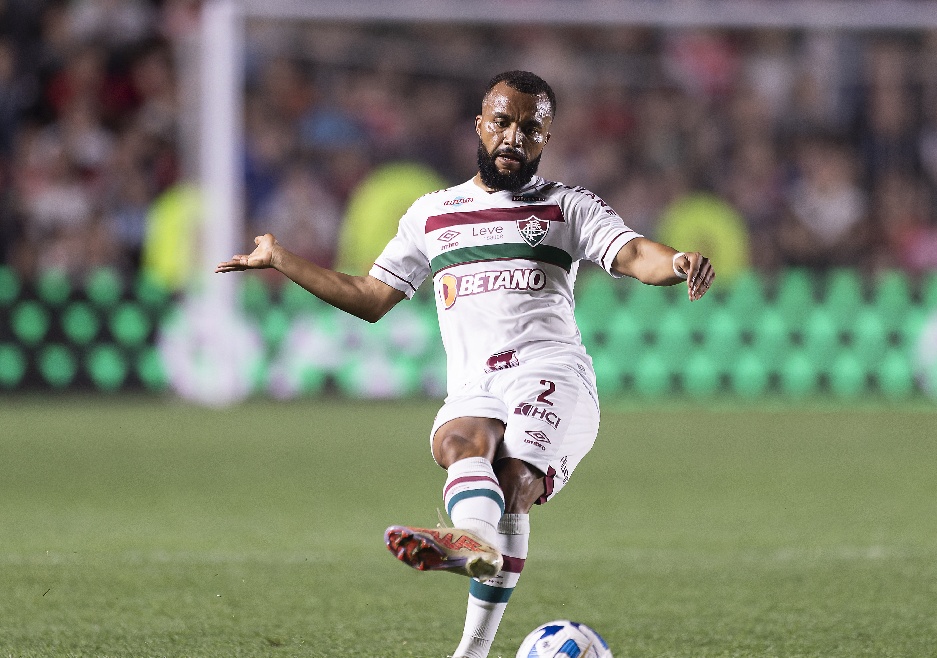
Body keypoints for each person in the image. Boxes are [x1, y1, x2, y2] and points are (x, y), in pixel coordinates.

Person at [216, 70, 714, 658]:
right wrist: (282, 260)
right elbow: (370, 297)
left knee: (513, 482)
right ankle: (471, 630)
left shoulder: (565, 207)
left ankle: (469, 544)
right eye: (502, 122)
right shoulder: (433, 214)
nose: (513, 137)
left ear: (546, 139)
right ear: (479, 125)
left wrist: (676, 260)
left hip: (551, 372)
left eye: (531, 128)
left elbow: (631, 252)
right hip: (478, 384)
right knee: (457, 442)